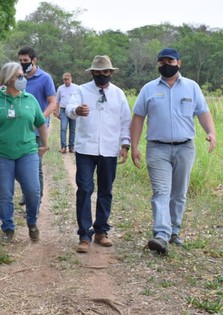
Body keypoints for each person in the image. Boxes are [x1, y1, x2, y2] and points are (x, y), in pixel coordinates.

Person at [129, 48, 217, 255]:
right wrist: (134, 146)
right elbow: (138, 118)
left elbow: (203, 112)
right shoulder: (148, 89)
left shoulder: (192, 87)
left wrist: (211, 132)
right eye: (161, 62)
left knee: (179, 193)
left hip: (185, 147)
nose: (165, 65)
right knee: (161, 191)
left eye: (169, 60)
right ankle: (161, 234)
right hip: (157, 148)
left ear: (179, 63)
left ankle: (174, 231)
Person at [0, 62, 49, 242]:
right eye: (18, 76)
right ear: (8, 79)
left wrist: (45, 144)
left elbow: (41, 122)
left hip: (27, 151)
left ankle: (32, 222)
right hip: (1, 154)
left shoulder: (30, 99)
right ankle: (8, 228)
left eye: (22, 76)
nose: (22, 79)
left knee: (33, 190)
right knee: (5, 193)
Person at [65, 55, 131, 253]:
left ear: (111, 73)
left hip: (110, 149)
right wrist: (77, 110)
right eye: (98, 72)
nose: (101, 76)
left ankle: (101, 231)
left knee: (106, 190)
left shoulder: (119, 94)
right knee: (84, 189)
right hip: (86, 148)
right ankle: (84, 235)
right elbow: (68, 109)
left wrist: (125, 145)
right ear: (92, 73)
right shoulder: (81, 90)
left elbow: (125, 121)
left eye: (105, 72)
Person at [17, 46, 57, 206]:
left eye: (25, 61)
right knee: (19, 164)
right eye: (20, 61)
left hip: (37, 130)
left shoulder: (45, 78)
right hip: (19, 129)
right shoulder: (19, 78)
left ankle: (36, 198)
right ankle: (27, 193)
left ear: (34, 60)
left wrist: (39, 118)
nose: (23, 63)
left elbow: (52, 103)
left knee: (35, 165)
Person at [55, 72, 78, 153]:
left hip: (73, 110)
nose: (66, 81)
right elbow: (57, 101)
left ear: (71, 79)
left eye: (67, 79)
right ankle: (63, 146)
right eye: (64, 80)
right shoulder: (60, 88)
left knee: (73, 129)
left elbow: (80, 99)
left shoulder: (76, 88)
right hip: (63, 110)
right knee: (63, 128)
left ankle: (72, 146)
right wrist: (56, 111)